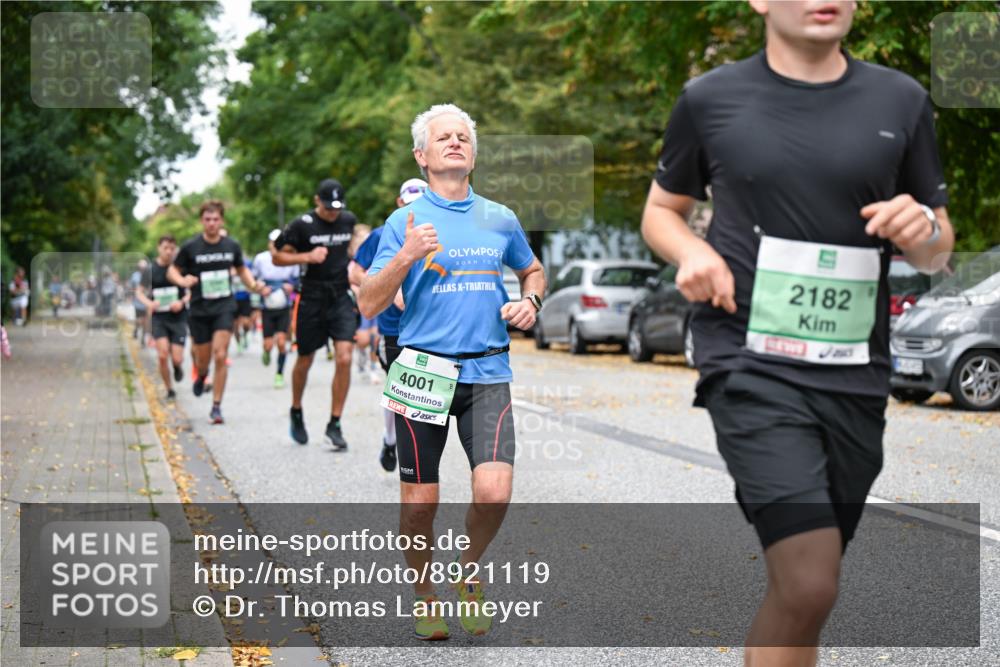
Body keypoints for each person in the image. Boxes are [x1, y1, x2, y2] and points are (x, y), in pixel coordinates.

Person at [640, 2, 954, 665]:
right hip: (749, 362)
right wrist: (691, 254)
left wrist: (922, 228)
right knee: (810, 579)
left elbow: (938, 247)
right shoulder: (711, 97)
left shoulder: (901, 100)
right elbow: (662, 211)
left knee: (806, 590)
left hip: (855, 376)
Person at [358, 104, 545, 640]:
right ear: (422, 155)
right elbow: (370, 303)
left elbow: (531, 268)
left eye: (464, 137)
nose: (456, 142)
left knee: (494, 492)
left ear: (474, 154)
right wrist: (405, 255)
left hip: (488, 370)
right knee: (421, 501)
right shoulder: (403, 223)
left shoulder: (499, 217)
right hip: (422, 371)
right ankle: (423, 593)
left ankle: (469, 570)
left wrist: (531, 301)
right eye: (444, 137)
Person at [271, 179, 359, 449]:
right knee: (305, 358)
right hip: (311, 297)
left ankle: (335, 423)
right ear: (316, 201)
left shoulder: (348, 221)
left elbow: (351, 249)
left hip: (340, 295)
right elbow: (276, 256)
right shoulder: (301, 225)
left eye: (338, 208)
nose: (334, 213)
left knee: (344, 357)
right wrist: (306, 257)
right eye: (328, 207)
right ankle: (296, 410)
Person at [350, 177, 427, 473]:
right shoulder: (382, 234)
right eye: (409, 205)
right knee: (401, 389)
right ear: (399, 203)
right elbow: (354, 272)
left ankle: (417, 450)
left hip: (433, 329)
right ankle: (392, 439)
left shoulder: (443, 234)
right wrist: (387, 287)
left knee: (427, 391)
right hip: (394, 327)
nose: (415, 211)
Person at [168, 200, 268, 424]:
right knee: (202, 358)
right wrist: (183, 279)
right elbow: (172, 271)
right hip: (200, 309)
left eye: (215, 219)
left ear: (221, 220)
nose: (212, 223)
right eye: (207, 219)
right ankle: (202, 374)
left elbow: (242, 271)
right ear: (202, 221)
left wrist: (254, 286)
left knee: (221, 355)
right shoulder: (191, 247)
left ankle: (216, 406)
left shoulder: (231, 245)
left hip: (224, 307)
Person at [136, 235, 189, 400]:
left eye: (172, 248)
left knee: (177, 357)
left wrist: (181, 302)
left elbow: (191, 291)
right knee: (162, 354)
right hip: (159, 318)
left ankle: (177, 366)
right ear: (159, 248)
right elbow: (139, 292)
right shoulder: (150, 269)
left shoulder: (180, 268)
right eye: (165, 248)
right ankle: (169, 389)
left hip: (178, 317)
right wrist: (149, 304)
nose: (168, 251)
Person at [252, 229, 300, 389]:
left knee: (281, 342)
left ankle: (279, 373)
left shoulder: (290, 259)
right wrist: (260, 288)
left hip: (283, 305)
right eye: (274, 242)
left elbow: (297, 278)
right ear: (269, 243)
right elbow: (253, 278)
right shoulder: (261, 259)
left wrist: (291, 286)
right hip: (267, 306)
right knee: (268, 344)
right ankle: (266, 351)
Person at [349, 224, 381, 383]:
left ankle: (373, 368)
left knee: (376, 338)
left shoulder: (380, 256)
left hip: (379, 302)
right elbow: (352, 280)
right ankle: (361, 357)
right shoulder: (355, 263)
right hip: (361, 304)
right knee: (363, 340)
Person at [130, 259, 151, 344]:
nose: (142, 269)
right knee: (139, 319)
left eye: (144, 267)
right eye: (141, 267)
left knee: (146, 320)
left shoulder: (149, 274)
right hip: (138, 301)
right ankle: (136, 328)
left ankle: (143, 337)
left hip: (148, 301)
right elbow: (132, 287)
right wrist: (132, 296)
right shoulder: (135, 276)